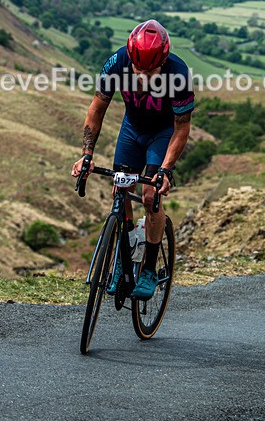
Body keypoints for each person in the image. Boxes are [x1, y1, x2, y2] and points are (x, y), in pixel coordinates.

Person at [71, 19, 194, 300]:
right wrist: (86, 155)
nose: (142, 75)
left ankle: (150, 268)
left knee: (150, 195)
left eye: (150, 71)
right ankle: (121, 260)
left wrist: (165, 170)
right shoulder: (117, 63)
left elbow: (182, 128)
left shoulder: (179, 74)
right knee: (121, 188)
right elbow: (96, 109)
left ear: (163, 62)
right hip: (132, 130)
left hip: (161, 135)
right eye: (138, 69)